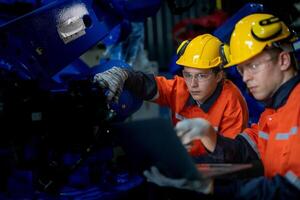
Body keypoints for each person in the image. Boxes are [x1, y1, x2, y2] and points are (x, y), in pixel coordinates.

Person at [144, 13, 300, 199]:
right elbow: (244, 150)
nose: (245, 78)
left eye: (253, 66)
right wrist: (209, 135)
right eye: (241, 69)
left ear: (283, 60)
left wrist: (213, 188)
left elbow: (290, 190)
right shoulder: (272, 113)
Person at [93, 33, 249, 157]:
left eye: (202, 76)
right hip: (182, 163)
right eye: (188, 74)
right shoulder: (181, 88)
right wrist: (123, 75)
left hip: (213, 176)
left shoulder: (232, 102)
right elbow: (149, 85)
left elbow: (231, 156)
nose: (192, 84)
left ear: (219, 75)